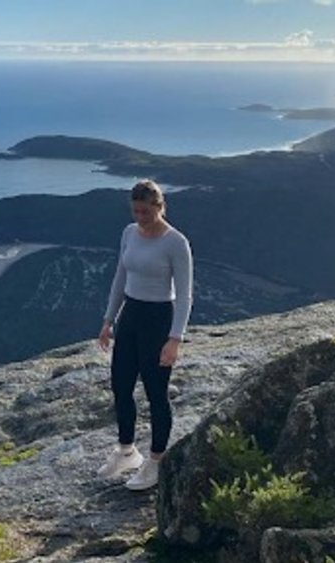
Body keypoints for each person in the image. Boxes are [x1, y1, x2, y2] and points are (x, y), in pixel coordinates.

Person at [96, 179, 193, 491]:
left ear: (160, 208)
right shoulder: (129, 233)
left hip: (158, 318)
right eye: (136, 211)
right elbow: (120, 276)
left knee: (156, 392)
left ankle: (157, 460)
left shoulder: (176, 243)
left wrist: (174, 338)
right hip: (131, 316)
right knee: (121, 385)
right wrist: (109, 320)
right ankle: (127, 451)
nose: (140, 217)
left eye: (146, 212)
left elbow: (185, 296)